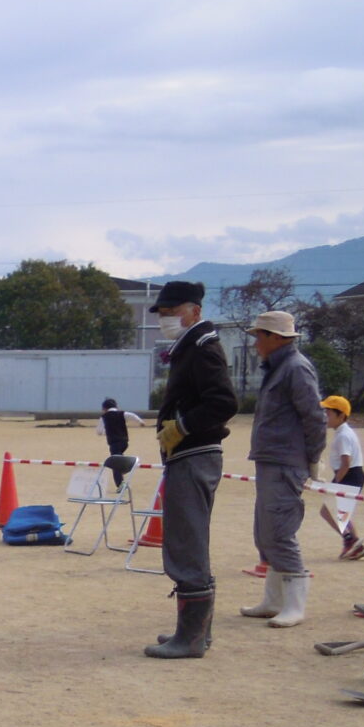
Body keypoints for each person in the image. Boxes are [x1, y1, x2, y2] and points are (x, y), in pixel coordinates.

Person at [144, 281, 238, 659]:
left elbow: (224, 402)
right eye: (163, 314)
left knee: (187, 542)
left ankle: (193, 637)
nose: (166, 319)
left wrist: (181, 426)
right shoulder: (191, 346)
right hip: (190, 454)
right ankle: (197, 631)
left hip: (194, 453)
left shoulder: (202, 349)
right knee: (188, 539)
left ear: (195, 311)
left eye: (172, 311)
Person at [239, 311, 327, 628]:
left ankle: (294, 604)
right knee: (265, 532)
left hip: (286, 461)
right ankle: (274, 600)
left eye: (260, 336)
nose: (256, 343)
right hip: (271, 459)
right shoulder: (279, 368)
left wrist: (312, 458)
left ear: (277, 338)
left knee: (280, 530)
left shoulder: (296, 368)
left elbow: (314, 417)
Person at [320, 394, 364, 560]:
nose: (326, 417)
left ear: (341, 415)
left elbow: (345, 462)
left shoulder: (343, 436)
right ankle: (356, 545)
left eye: (329, 414)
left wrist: (335, 483)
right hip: (351, 474)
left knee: (327, 511)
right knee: (341, 512)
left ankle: (350, 540)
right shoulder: (343, 432)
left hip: (349, 475)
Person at [96, 397, 144, 486]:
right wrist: (140, 422)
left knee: (116, 464)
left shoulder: (104, 417)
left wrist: (106, 431)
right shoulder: (122, 413)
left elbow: (99, 431)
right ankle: (123, 468)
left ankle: (120, 484)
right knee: (119, 458)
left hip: (114, 443)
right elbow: (132, 416)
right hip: (124, 442)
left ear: (104, 408)